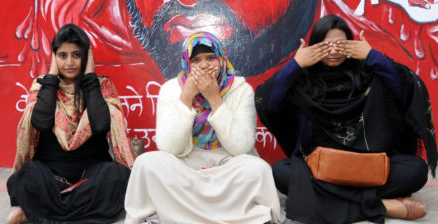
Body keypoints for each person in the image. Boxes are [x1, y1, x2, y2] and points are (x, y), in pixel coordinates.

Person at [255, 15, 437, 223]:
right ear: (313, 47)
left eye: (340, 44)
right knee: (281, 172)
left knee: (416, 170)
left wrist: (372, 56)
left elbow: (405, 88)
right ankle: (382, 205)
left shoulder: (367, 74)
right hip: (323, 170)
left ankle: (334, 201)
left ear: (351, 45)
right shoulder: (303, 82)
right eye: (325, 45)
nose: (333, 51)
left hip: (370, 168)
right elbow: (268, 102)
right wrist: (295, 64)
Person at [124, 32, 283, 224]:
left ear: (221, 59)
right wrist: (186, 97)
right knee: (146, 163)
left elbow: (241, 148)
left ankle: (177, 215)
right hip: (184, 163)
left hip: (227, 163)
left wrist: (214, 98)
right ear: (186, 63)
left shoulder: (240, 89)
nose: (204, 65)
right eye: (196, 60)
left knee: (258, 169)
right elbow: (169, 148)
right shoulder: (171, 89)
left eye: (210, 58)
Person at [6, 24, 135, 224]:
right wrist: (51, 77)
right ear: (54, 57)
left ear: (86, 57)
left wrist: (90, 78)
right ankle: (80, 213)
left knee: (117, 177)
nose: (70, 62)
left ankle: (39, 212)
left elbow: (101, 125)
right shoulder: (42, 84)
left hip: (91, 174)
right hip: (51, 175)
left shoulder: (102, 85)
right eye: (62, 56)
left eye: (76, 55)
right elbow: (40, 122)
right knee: (25, 176)